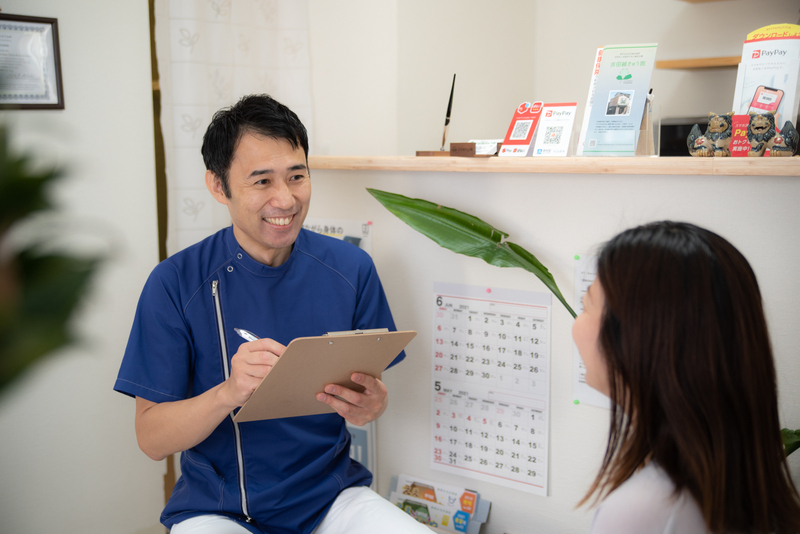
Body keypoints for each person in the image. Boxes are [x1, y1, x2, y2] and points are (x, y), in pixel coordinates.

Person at [114, 94, 430, 534]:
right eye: (261, 182)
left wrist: (371, 406)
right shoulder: (174, 283)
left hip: (332, 499)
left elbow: (369, 400)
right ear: (218, 186)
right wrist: (228, 392)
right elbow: (151, 440)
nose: (286, 199)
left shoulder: (351, 268)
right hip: (219, 511)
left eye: (297, 176)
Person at [572, 221, 800, 534]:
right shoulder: (742, 482)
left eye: (585, 305)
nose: (577, 322)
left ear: (638, 341)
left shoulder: (642, 511)